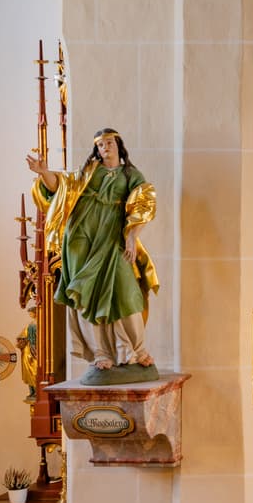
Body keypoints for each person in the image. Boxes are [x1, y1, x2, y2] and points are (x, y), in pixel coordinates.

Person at [25, 128, 159, 384]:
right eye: (100, 145)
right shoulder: (88, 173)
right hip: (80, 239)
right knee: (86, 297)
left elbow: (144, 203)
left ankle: (137, 350)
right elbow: (61, 186)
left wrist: (131, 236)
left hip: (111, 239)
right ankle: (101, 355)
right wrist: (44, 172)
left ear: (118, 145)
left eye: (109, 143)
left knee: (127, 294)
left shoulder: (130, 174)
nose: (104, 148)